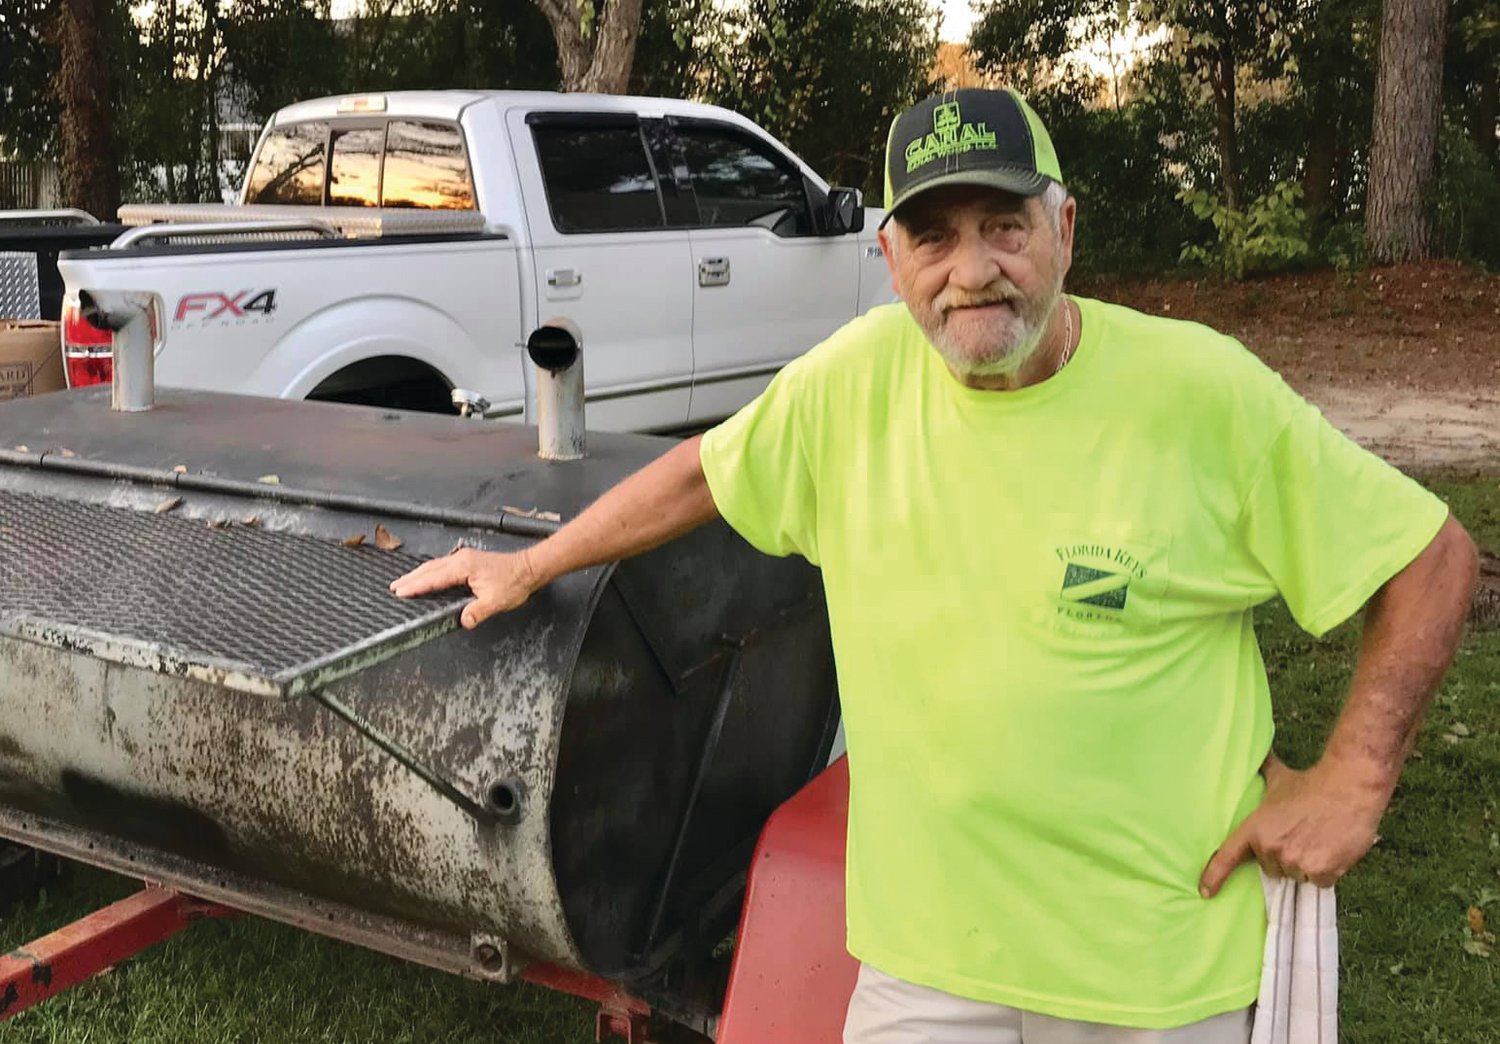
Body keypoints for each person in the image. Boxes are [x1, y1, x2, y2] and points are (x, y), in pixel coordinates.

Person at [391, 88, 1478, 1043]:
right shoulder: (852, 382)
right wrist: (535, 566)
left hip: (1151, 969)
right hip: (925, 967)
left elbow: (1427, 556)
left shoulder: (1202, 396)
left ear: (1065, 229)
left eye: (1004, 226)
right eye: (934, 237)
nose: (972, 272)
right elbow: (703, 475)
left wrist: (1355, 777)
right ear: (890, 258)